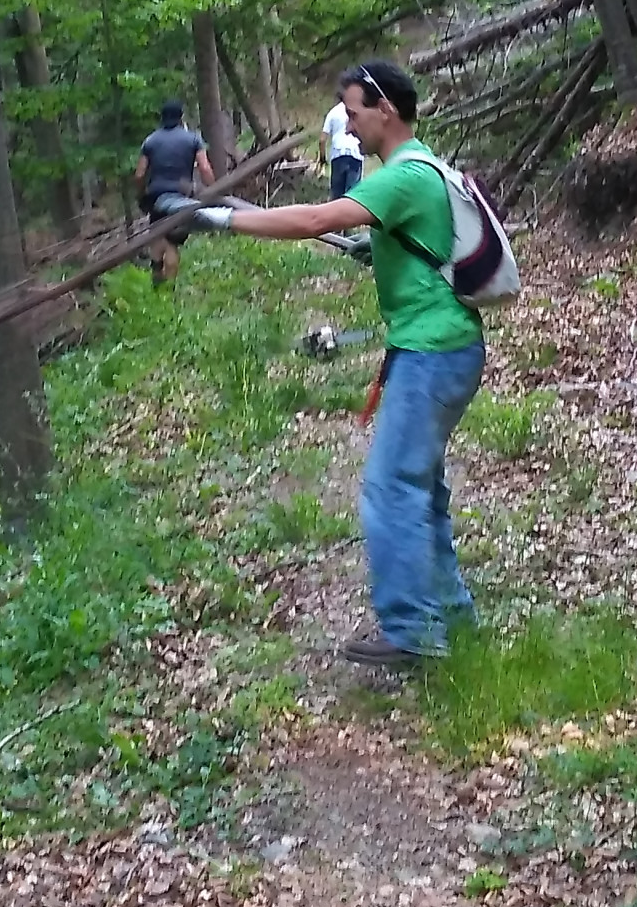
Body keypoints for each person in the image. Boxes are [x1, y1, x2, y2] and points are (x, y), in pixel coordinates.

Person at [190, 58, 481, 669]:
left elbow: (318, 217)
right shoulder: (421, 165)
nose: (347, 127)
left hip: (432, 352)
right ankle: (454, 620)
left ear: (386, 110)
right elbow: (416, 241)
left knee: (390, 490)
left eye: (353, 113)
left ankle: (414, 631)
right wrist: (375, 249)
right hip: (443, 347)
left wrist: (225, 219)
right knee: (421, 490)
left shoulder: (403, 174)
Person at [136, 100, 214, 284]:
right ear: (181, 117)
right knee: (172, 242)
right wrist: (214, 190)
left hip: (156, 197)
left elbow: (139, 174)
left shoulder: (150, 141)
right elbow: (204, 168)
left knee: (157, 234)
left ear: (162, 118)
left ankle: (156, 274)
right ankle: (167, 289)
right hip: (180, 196)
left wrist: (141, 195)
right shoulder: (193, 139)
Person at [321, 93, 364, 198]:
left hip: (338, 154)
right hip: (355, 154)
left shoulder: (333, 112)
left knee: (337, 196)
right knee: (353, 196)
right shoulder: (358, 111)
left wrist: (322, 158)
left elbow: (322, 139)